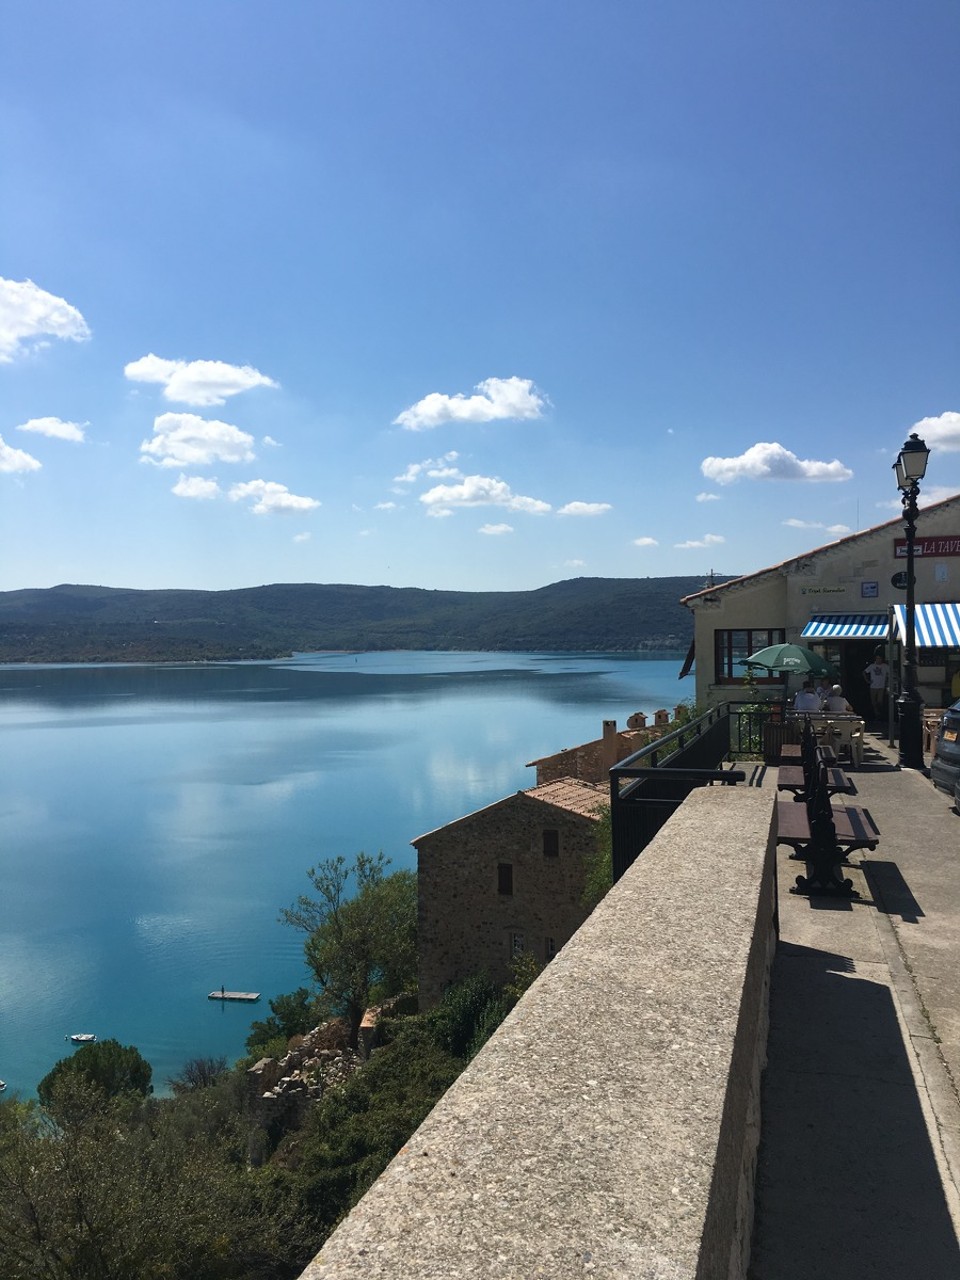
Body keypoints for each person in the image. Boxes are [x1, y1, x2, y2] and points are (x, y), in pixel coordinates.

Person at [863, 651, 889, 718]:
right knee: (873, 701)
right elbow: (864, 672)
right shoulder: (872, 666)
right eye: (877, 658)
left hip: (881, 686)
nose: (879, 660)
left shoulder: (885, 666)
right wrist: (867, 681)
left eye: (880, 658)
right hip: (873, 686)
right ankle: (876, 713)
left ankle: (880, 713)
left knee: (880, 701)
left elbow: (890, 673)